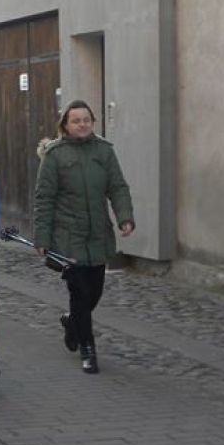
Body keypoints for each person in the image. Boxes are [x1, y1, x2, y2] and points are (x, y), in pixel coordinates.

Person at [33, 99, 135, 375]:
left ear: (92, 122)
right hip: (69, 237)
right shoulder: (55, 155)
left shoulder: (104, 151)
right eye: (75, 120)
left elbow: (117, 186)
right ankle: (88, 349)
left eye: (86, 119)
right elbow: (44, 199)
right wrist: (41, 237)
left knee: (95, 292)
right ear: (65, 124)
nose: (82, 124)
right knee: (79, 292)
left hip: (98, 233)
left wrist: (125, 216)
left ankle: (72, 321)